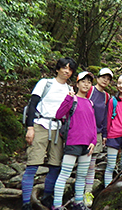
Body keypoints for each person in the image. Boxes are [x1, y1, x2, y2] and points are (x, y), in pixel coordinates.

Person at [21, 57, 77, 210]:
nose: (67, 71)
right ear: (58, 69)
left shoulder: (69, 90)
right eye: (64, 67)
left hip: (58, 128)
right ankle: (26, 202)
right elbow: (32, 104)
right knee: (33, 164)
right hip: (40, 124)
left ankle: (47, 196)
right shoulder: (45, 83)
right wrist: (30, 127)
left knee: (55, 165)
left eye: (70, 69)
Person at [52, 71, 97, 210]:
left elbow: (93, 124)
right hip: (73, 141)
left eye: (89, 82)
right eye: (83, 81)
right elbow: (59, 114)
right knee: (65, 173)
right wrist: (68, 98)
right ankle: (57, 205)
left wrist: (94, 141)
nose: (86, 84)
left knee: (82, 175)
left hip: (87, 144)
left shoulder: (90, 102)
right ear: (77, 83)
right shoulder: (72, 99)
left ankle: (78, 202)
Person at [82, 67, 112, 207]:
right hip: (82, 131)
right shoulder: (89, 90)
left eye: (108, 79)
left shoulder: (106, 96)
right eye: (103, 77)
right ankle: (77, 193)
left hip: (98, 133)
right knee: (81, 163)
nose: (105, 80)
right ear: (98, 78)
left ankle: (87, 193)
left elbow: (105, 117)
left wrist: (105, 134)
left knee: (91, 165)